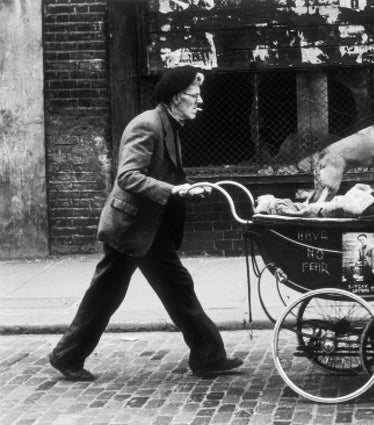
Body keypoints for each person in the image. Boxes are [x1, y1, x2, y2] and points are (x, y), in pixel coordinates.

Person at [48, 66, 243, 381]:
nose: (200, 101)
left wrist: (187, 189)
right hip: (131, 228)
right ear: (177, 98)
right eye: (194, 96)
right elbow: (128, 176)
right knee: (106, 295)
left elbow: (165, 174)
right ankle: (66, 355)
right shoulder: (147, 125)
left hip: (151, 231)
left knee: (177, 289)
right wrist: (172, 191)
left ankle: (208, 357)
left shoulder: (169, 124)